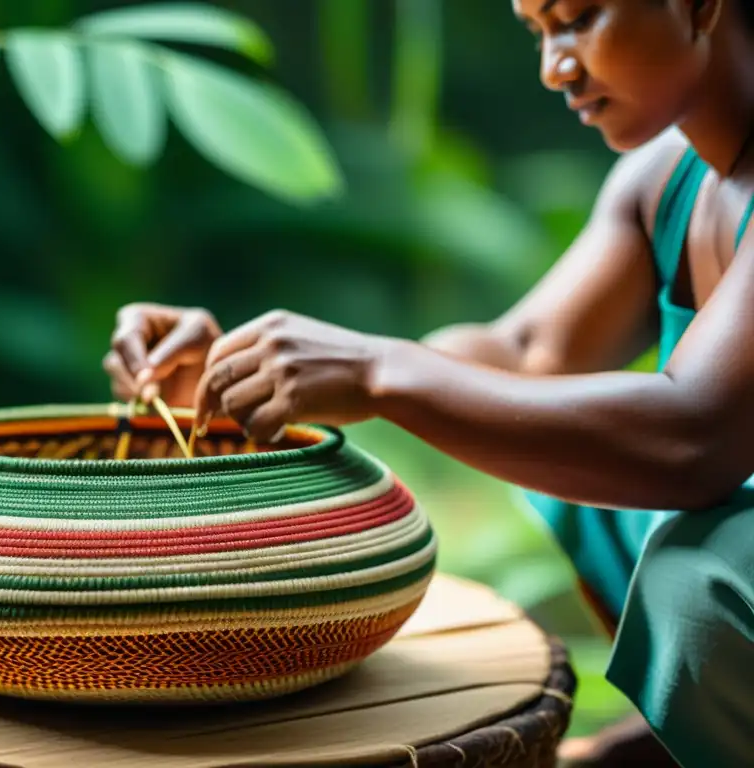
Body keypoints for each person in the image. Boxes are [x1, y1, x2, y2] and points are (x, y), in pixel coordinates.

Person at [104, 1, 754, 765]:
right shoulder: (664, 177)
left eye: (578, 17)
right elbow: (525, 353)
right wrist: (250, 367)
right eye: (538, 31)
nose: (556, 67)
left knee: (692, 573)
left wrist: (376, 370)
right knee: (552, 440)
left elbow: (691, 438)